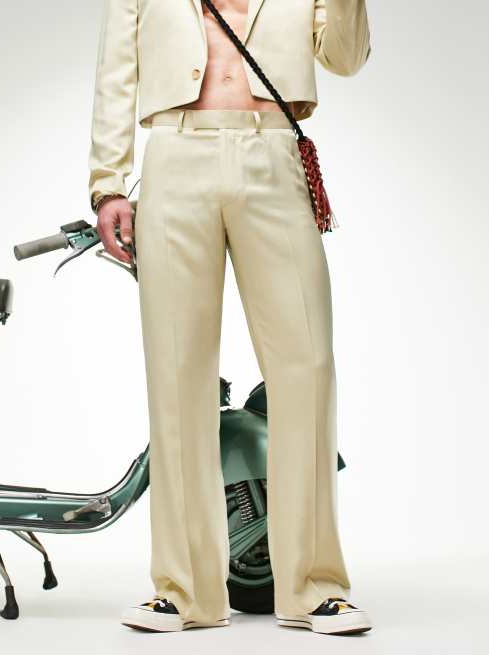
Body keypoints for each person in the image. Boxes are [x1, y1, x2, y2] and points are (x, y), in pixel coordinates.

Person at [88, 0, 373, 636]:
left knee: (307, 368)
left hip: (271, 150)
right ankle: (184, 591)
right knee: (177, 374)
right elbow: (116, 73)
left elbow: (346, 57)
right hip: (174, 154)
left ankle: (315, 588)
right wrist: (108, 183)